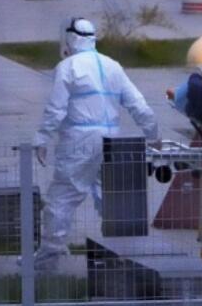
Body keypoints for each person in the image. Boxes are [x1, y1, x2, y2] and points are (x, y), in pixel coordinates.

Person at [32, 18, 159, 271]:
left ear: (71, 38)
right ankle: (124, 257)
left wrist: (41, 138)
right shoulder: (113, 66)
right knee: (111, 200)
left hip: (79, 139)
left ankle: (47, 259)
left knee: (62, 198)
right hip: (113, 139)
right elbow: (138, 104)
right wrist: (153, 135)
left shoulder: (68, 67)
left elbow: (56, 109)